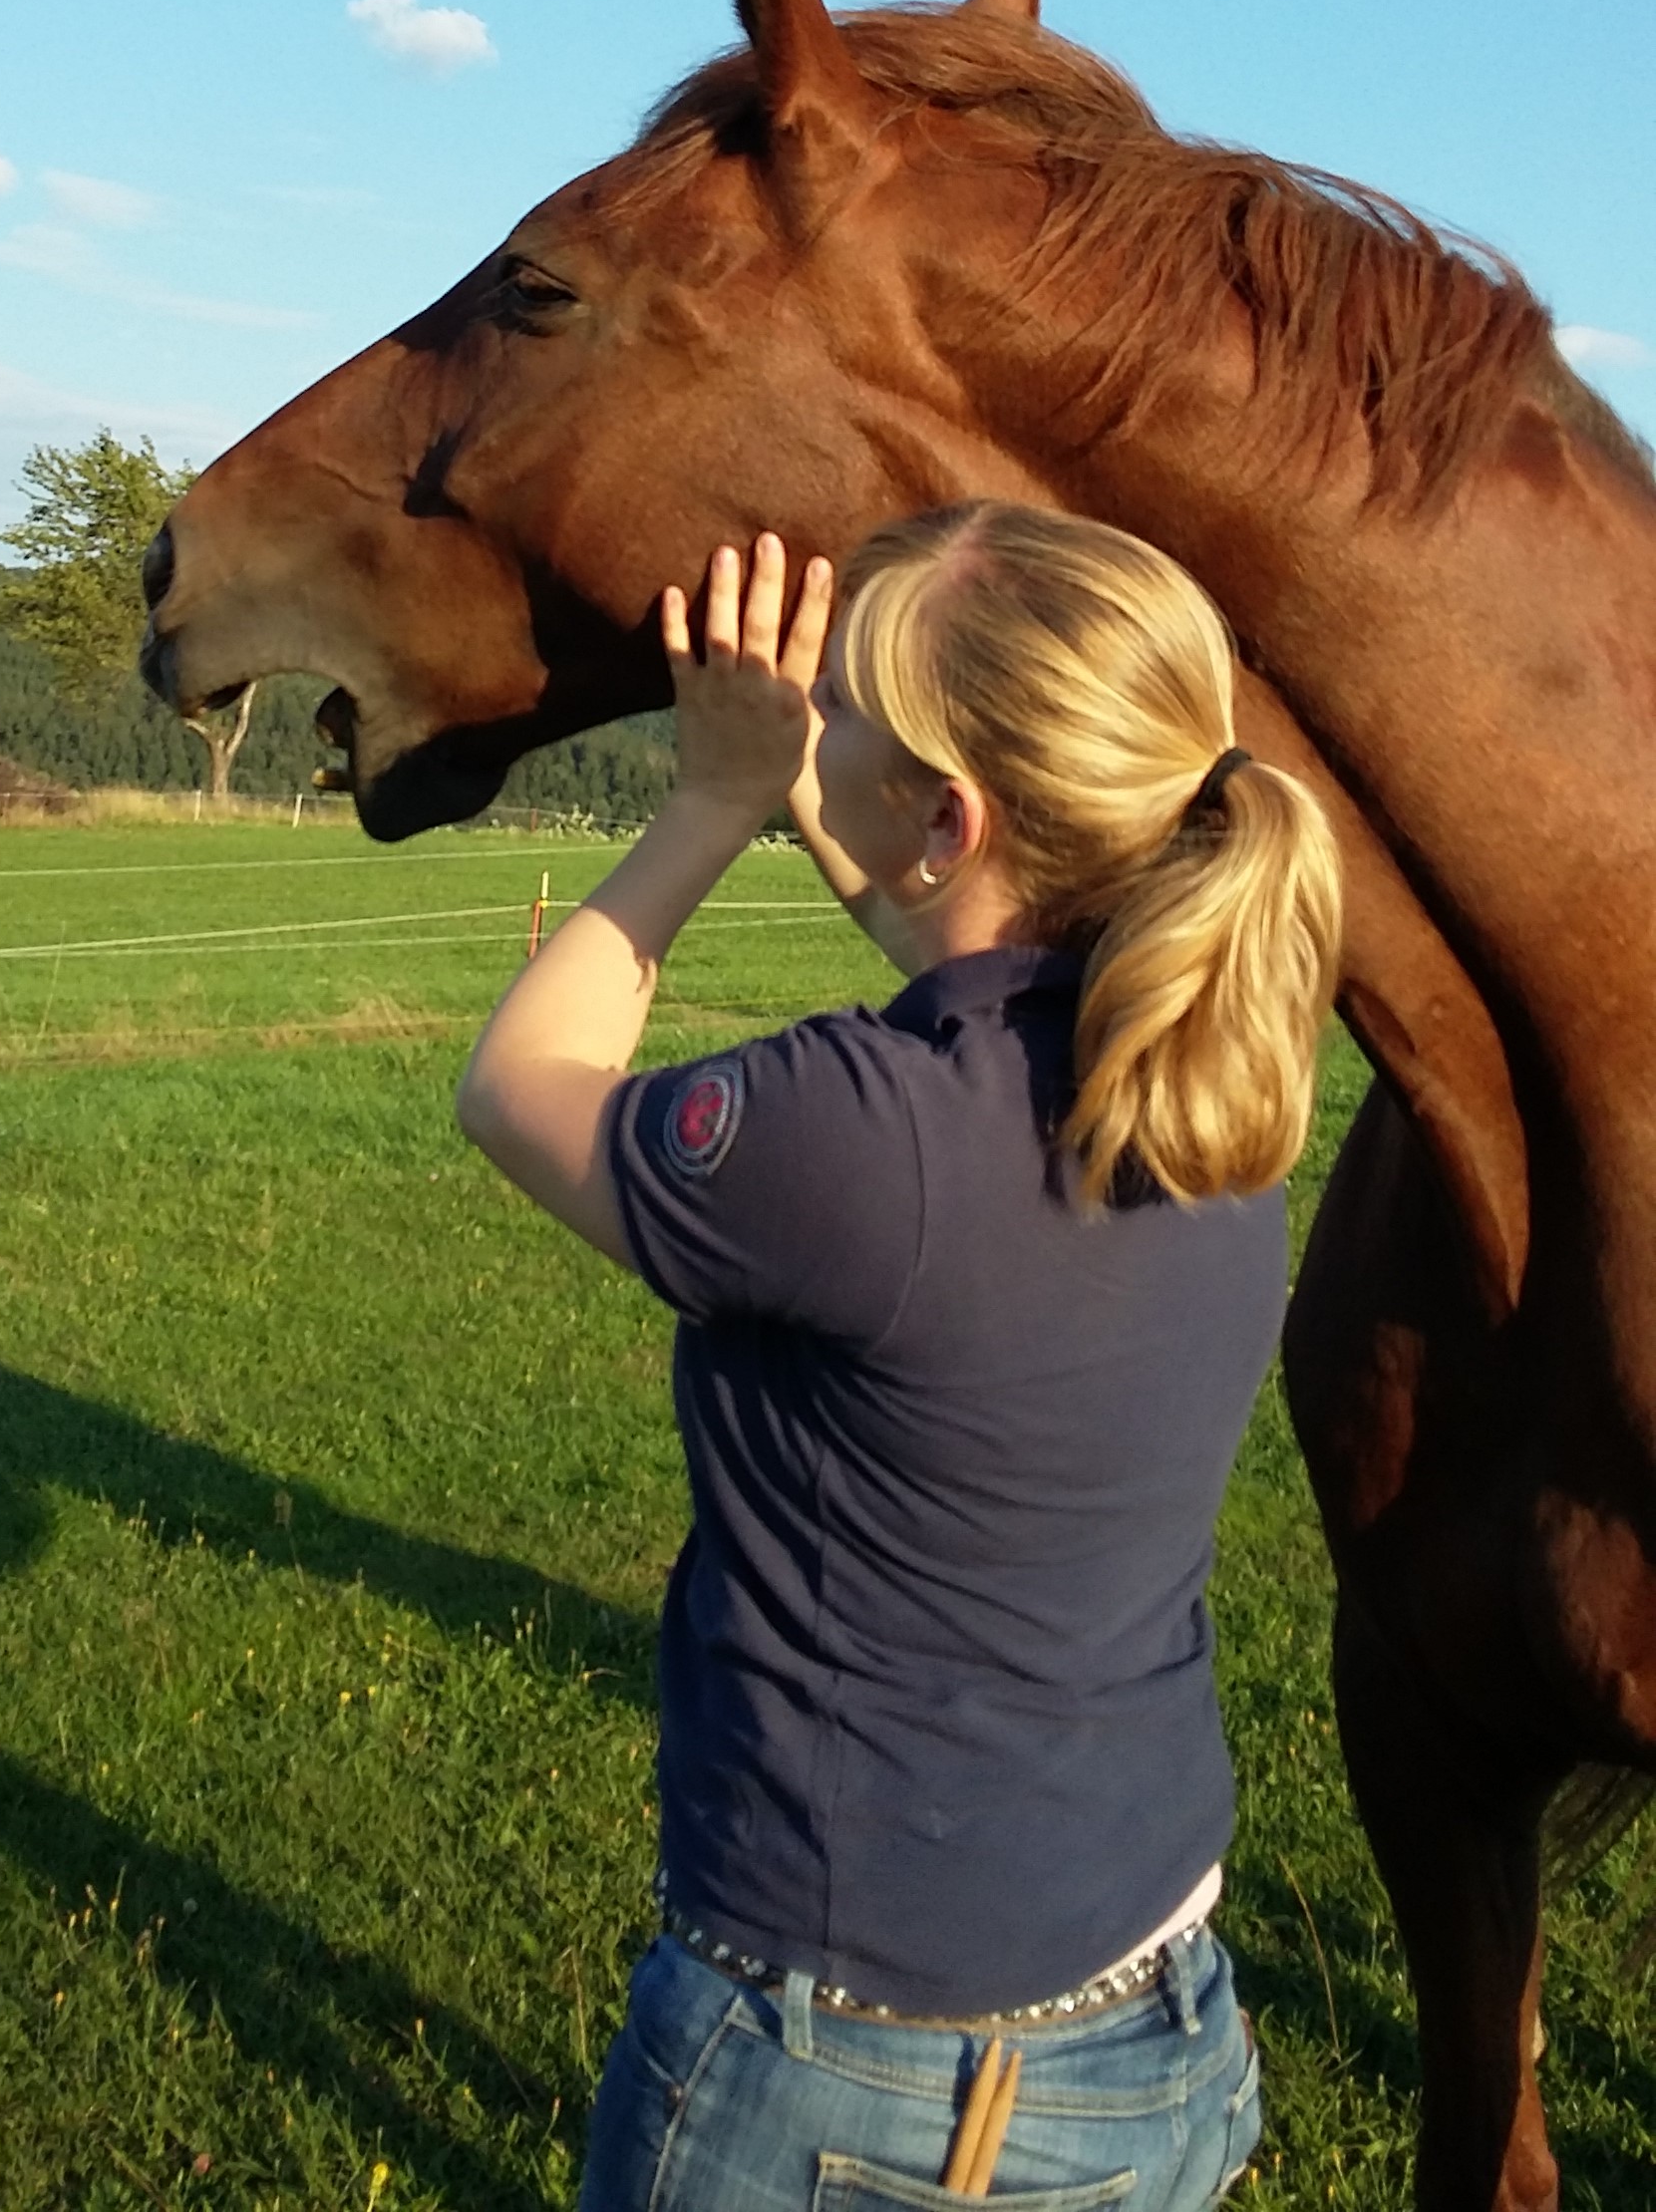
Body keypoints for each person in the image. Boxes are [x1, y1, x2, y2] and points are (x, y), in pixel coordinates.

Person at [457, 503, 1342, 2210]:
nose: (813, 732)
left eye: (841, 708)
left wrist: (711, 796)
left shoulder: (855, 1138)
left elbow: (518, 1089)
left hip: (861, 2085)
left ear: (949, 818)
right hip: (1155, 2023)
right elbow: (956, 946)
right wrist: (816, 774)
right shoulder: (1201, 1082)